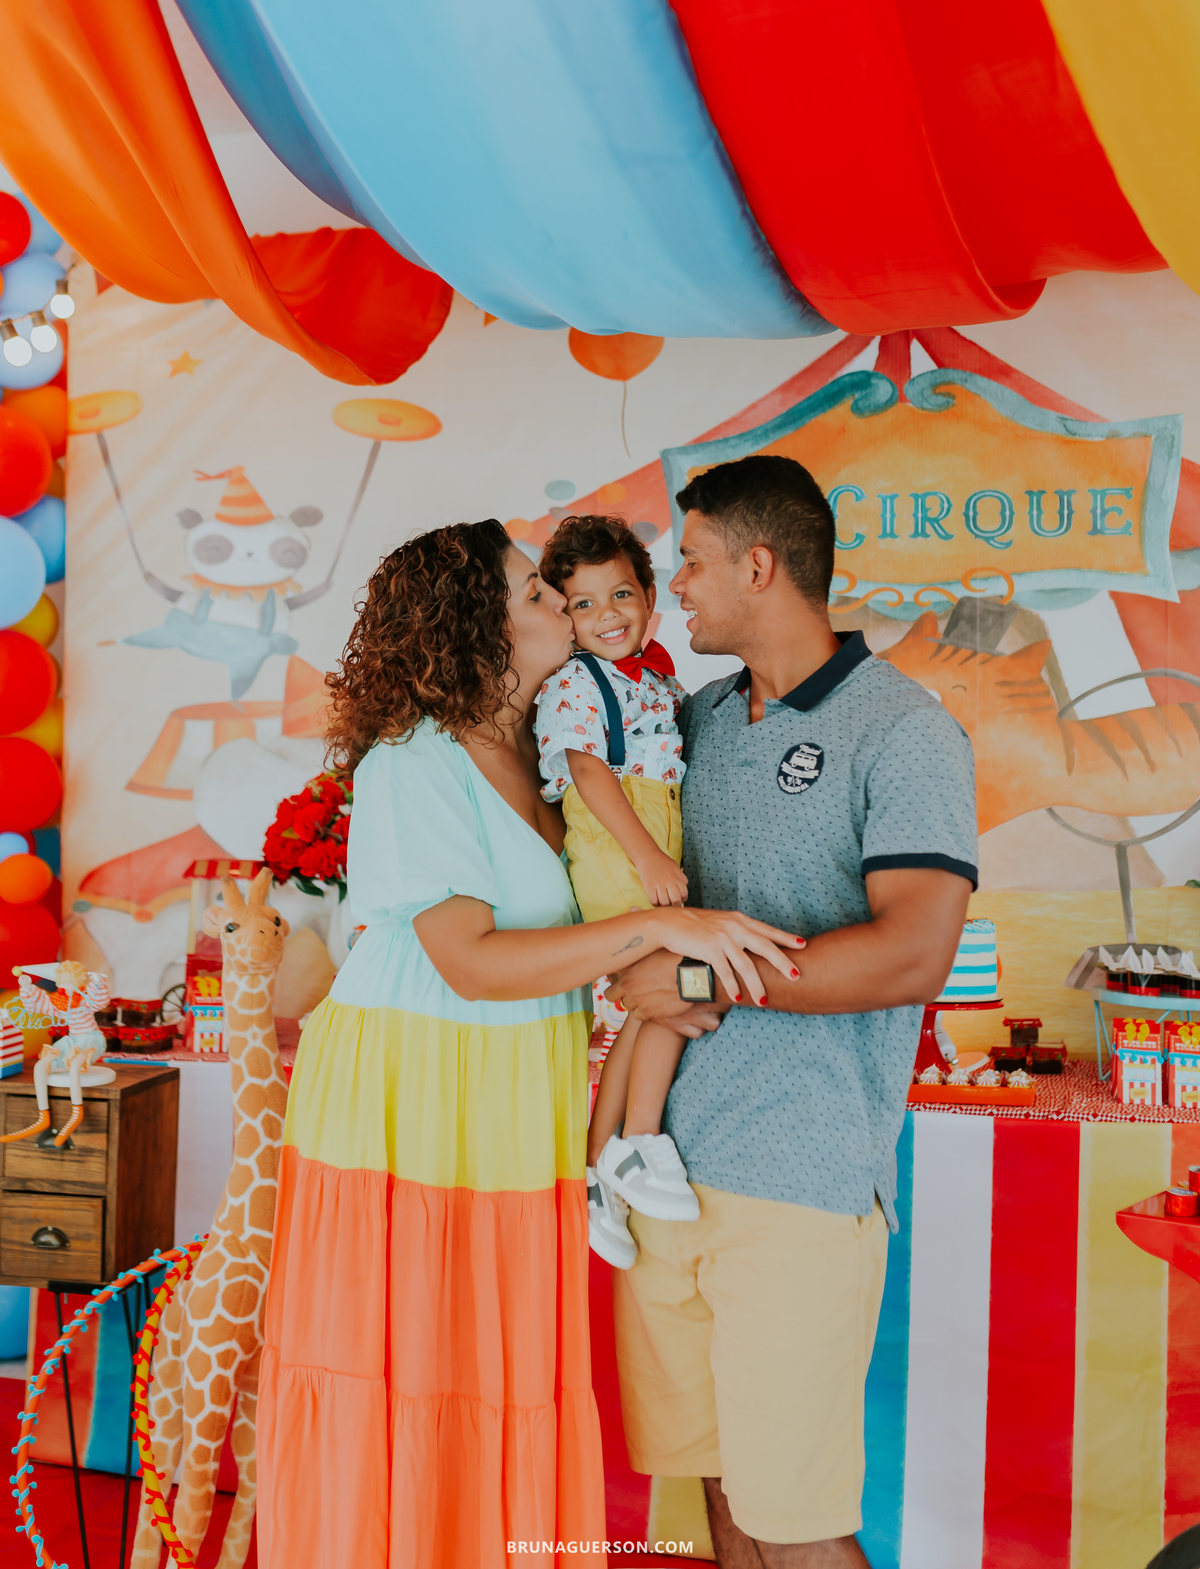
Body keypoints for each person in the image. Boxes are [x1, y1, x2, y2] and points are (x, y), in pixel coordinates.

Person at [256, 518, 801, 1569]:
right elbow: (472, 962)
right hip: (416, 1094)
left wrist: (653, 977)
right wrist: (666, 930)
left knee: (496, 1369)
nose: (560, 602)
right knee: (415, 1366)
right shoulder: (415, 760)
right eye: (534, 593)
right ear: (479, 626)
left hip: (510, 1088)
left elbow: (563, 938)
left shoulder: (537, 755)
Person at [606, 457, 978, 1568]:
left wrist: (694, 980)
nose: (677, 585)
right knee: (723, 1502)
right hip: (664, 1178)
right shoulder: (693, 722)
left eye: (692, 560)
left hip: (801, 1185)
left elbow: (913, 952)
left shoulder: (903, 729)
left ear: (759, 566)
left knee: (798, 1527)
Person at [536, 516, 778, 1270]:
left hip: (652, 841)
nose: (606, 615)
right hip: (618, 850)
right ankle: (637, 1140)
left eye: (620, 594)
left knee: (648, 1005)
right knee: (673, 989)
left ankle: (598, 1166)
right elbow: (588, 772)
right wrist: (646, 859)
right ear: (564, 618)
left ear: (648, 595)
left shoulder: (662, 682)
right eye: (583, 604)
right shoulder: (578, 682)